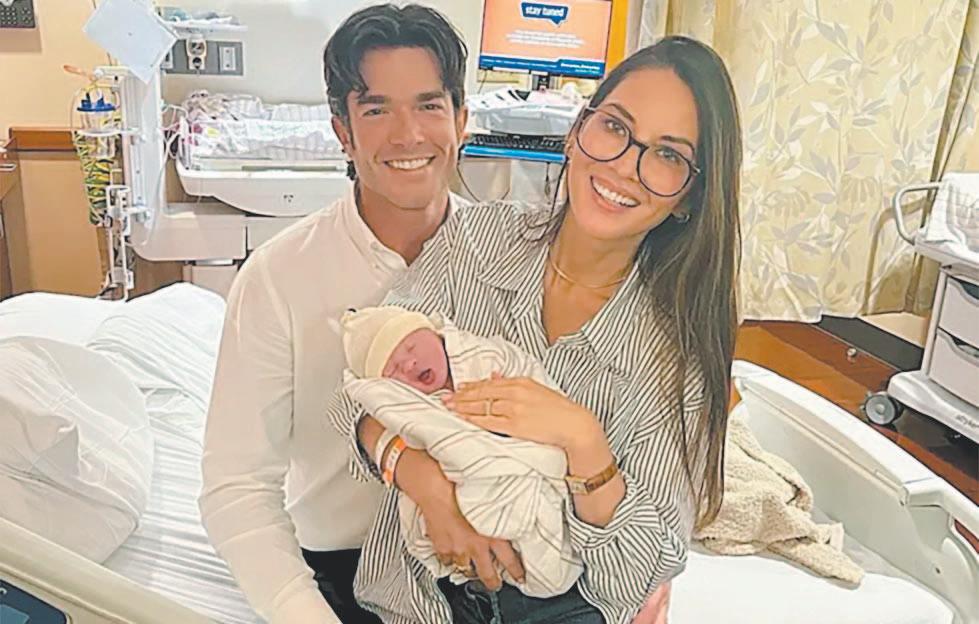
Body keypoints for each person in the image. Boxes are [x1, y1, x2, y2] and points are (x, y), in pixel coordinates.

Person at [329, 35, 742, 624]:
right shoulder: (476, 244)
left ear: (688, 199)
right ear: (577, 131)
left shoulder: (673, 358)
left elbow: (638, 574)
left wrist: (584, 443)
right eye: (615, 127)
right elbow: (351, 396)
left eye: (668, 156)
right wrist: (422, 480)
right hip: (415, 602)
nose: (625, 166)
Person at [198, 5, 474, 623]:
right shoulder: (279, 277)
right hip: (343, 572)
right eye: (377, 110)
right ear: (342, 132)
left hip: (490, 557)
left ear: (461, 119)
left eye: (429, 105)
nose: (408, 135)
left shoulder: (503, 258)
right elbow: (236, 485)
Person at [339, 305, 583, 598]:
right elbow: (348, 407)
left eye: (411, 347)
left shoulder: (485, 358)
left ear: (436, 334)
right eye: (392, 371)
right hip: (430, 583)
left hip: (547, 494)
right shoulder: (417, 404)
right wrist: (415, 472)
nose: (409, 363)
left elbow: (540, 397)